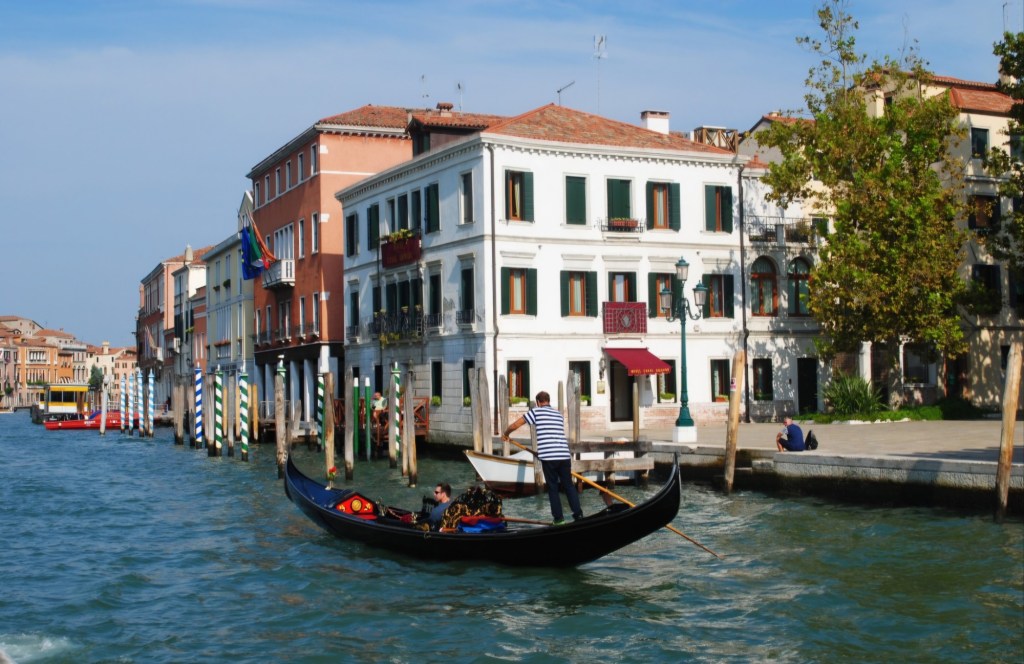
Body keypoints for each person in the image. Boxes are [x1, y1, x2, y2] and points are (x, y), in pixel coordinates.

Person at [501, 390, 583, 525]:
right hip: (563, 455)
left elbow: (516, 424)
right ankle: (578, 515)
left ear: (538, 402)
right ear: (549, 401)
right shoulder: (558, 414)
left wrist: (506, 433)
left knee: (552, 488)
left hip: (549, 458)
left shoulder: (536, 412)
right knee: (568, 486)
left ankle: (559, 519)